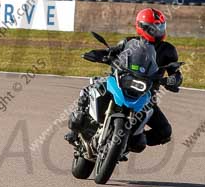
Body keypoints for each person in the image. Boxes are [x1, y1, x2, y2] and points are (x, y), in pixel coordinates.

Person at [66, 8, 183, 153]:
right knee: (90, 90)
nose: (158, 31)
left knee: (165, 132)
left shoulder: (168, 50)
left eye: (160, 27)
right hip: (120, 82)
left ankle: (127, 141)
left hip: (146, 95)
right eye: (154, 28)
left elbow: (176, 72)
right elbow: (111, 52)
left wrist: (173, 80)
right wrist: (98, 55)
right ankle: (76, 130)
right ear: (142, 27)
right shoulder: (129, 42)